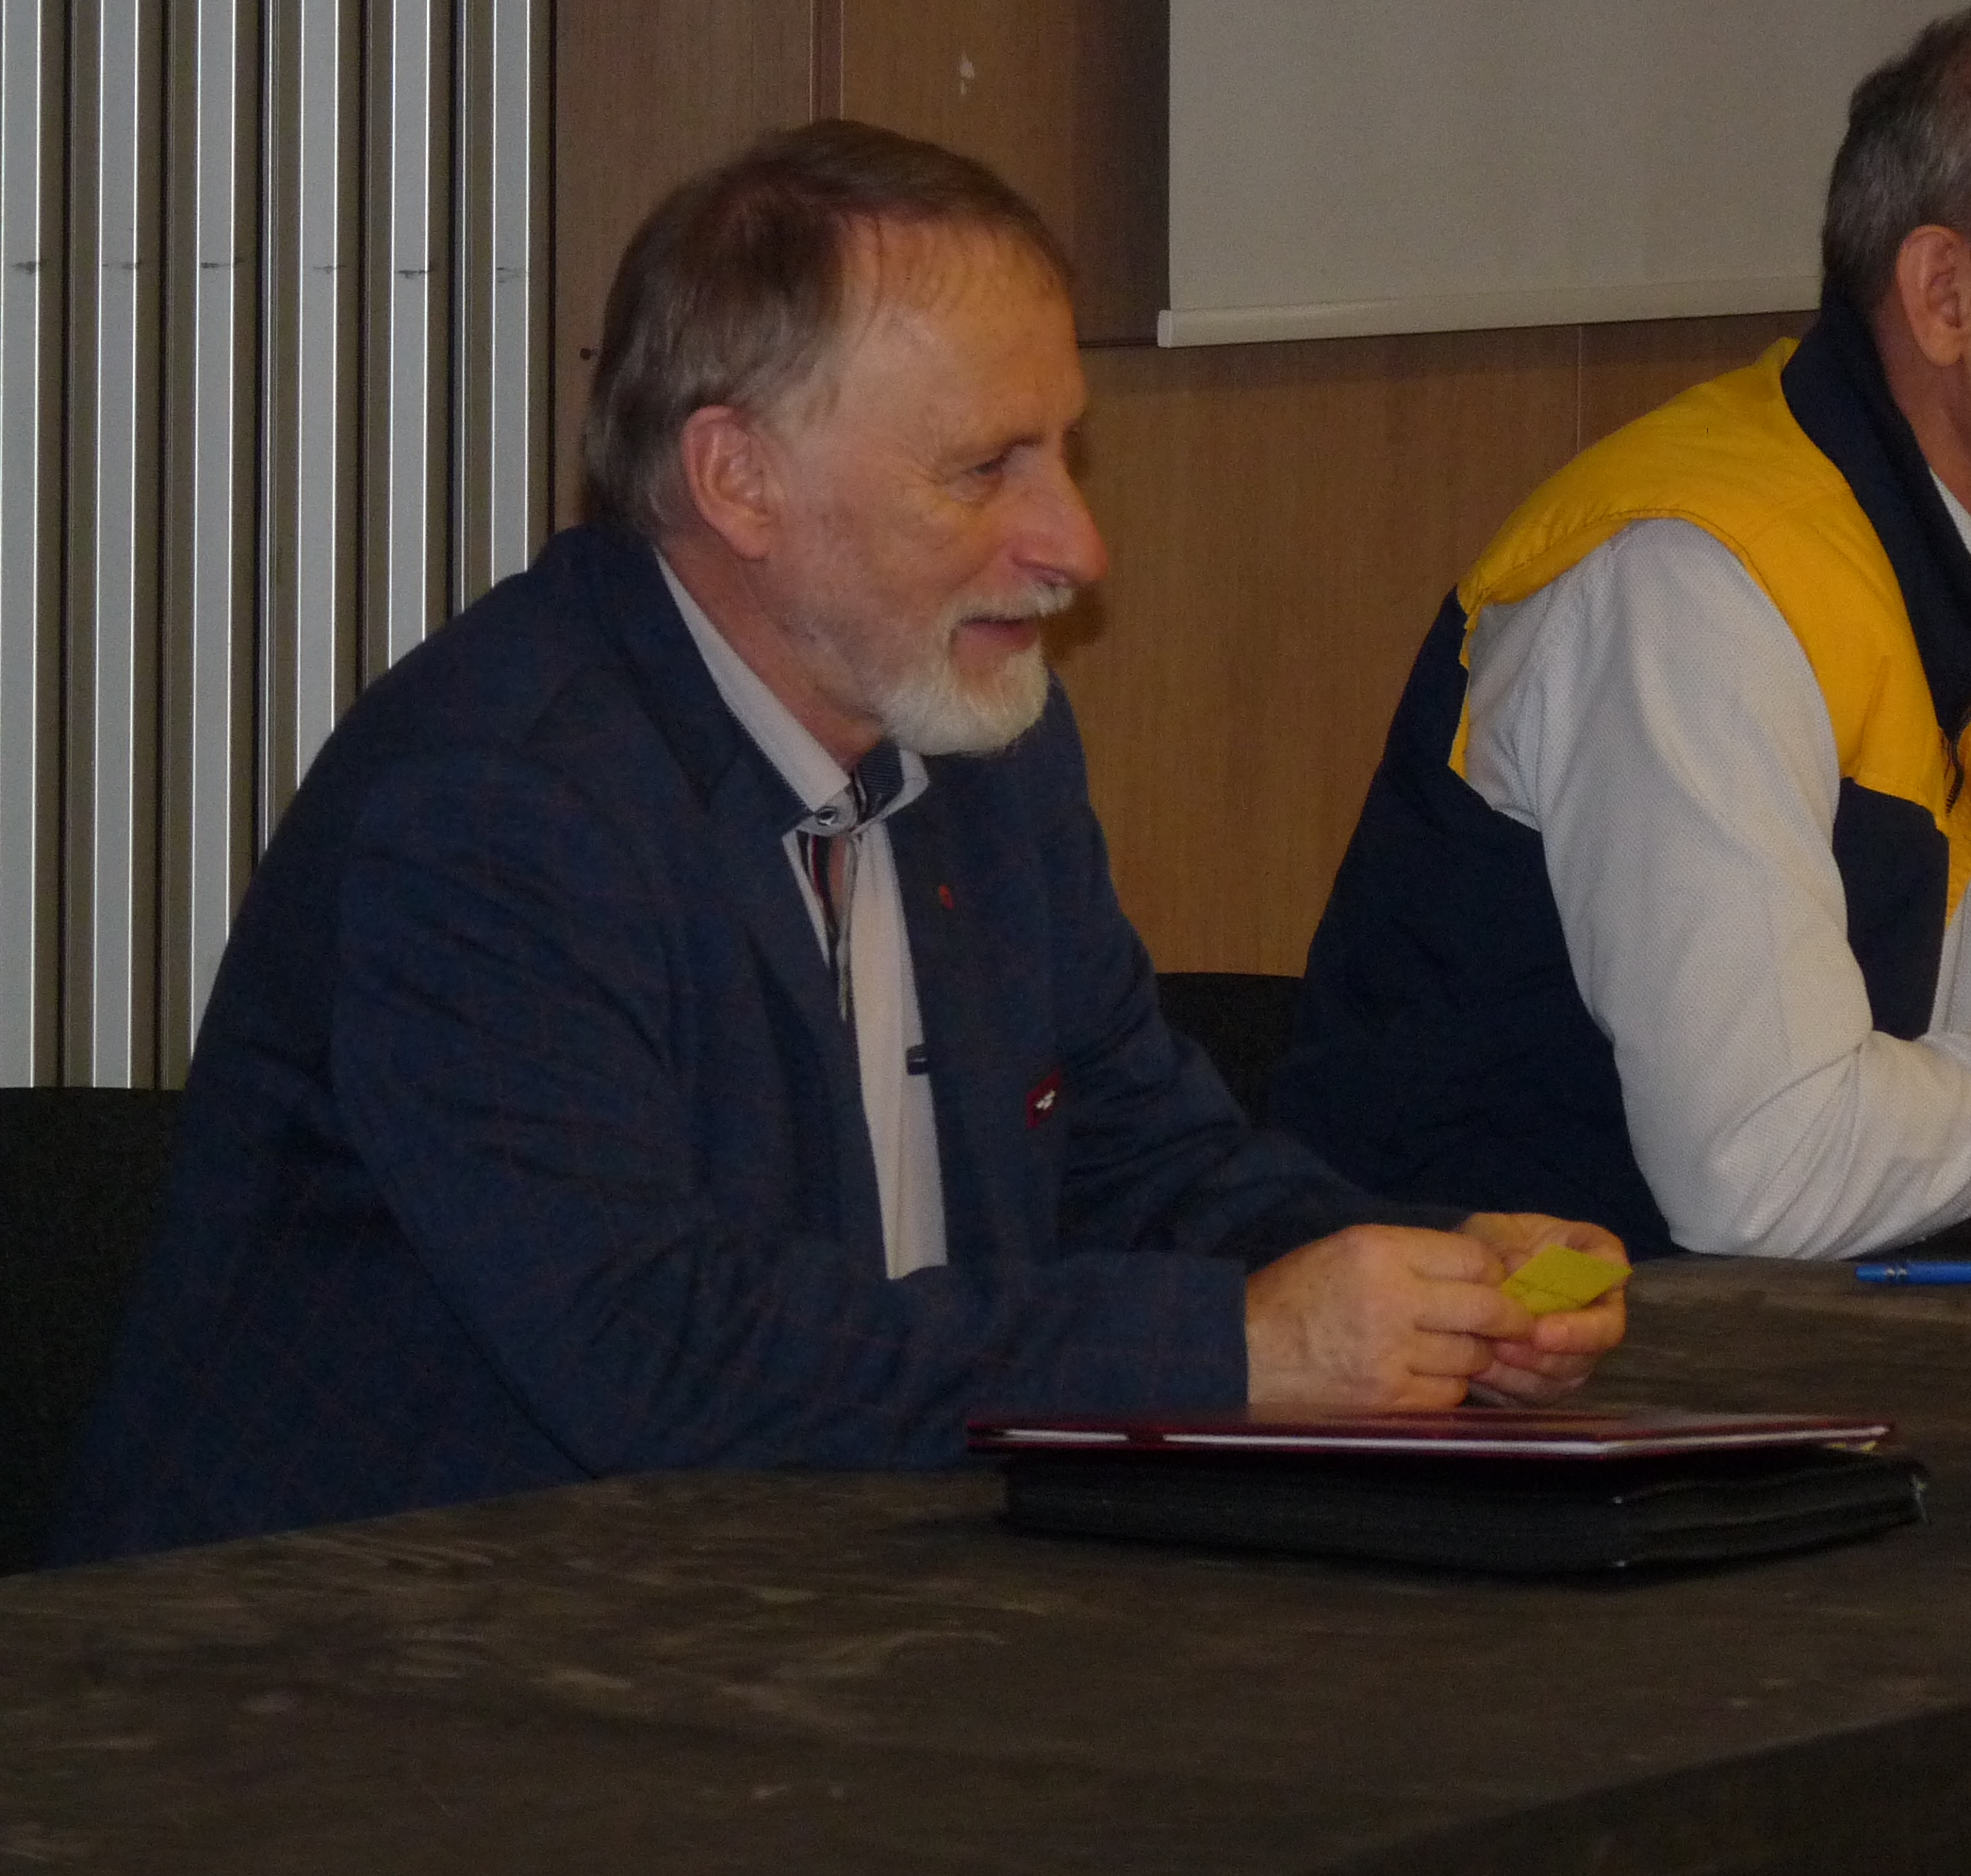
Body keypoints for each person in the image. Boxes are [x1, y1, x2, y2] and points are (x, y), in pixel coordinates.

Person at [55, 123, 1626, 1563]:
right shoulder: (496, 807)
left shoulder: (979, 739)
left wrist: (1426, 1281)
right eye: (986, 470)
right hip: (361, 1669)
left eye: (1064, 454)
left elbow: (1136, 1161)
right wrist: (1233, 1351)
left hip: (807, 1610)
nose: (1075, 547)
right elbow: (659, 1350)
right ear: (739, 479)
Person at [1271, 2, 1971, 1259]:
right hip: (1532, 1349)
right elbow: (1766, 1174)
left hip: (1856, 1333)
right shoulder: (1698, 583)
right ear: (1946, 296)